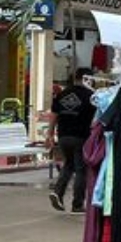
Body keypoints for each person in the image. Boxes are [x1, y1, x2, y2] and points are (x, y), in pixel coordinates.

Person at [46, 67, 95, 213]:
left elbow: (54, 115)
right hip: (80, 137)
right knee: (81, 170)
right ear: (87, 79)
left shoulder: (63, 94)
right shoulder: (90, 96)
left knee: (68, 165)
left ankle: (58, 193)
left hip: (63, 137)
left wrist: (50, 134)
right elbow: (95, 120)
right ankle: (77, 204)